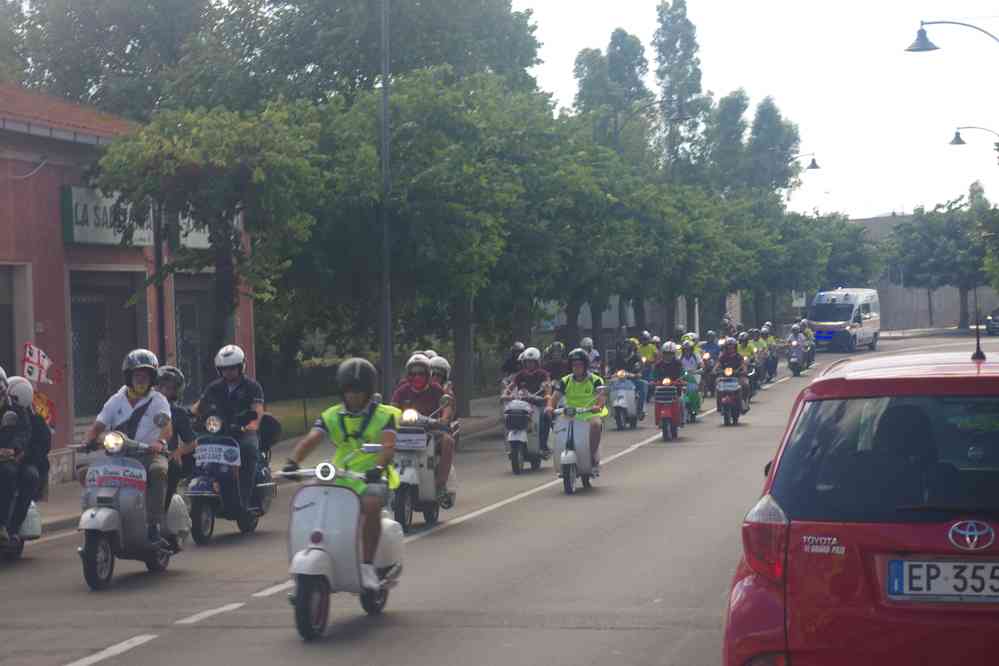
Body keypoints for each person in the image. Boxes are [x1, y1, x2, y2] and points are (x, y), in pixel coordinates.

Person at [282, 359, 398, 591]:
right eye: (348, 391)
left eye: (358, 391)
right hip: (339, 478)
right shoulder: (331, 415)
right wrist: (292, 462)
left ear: (368, 392)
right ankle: (311, 559)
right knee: (310, 499)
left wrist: (377, 468)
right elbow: (312, 439)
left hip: (371, 479)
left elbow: (388, 446)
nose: (353, 396)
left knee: (372, 503)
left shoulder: (385, 415)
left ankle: (366, 566)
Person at [82, 350, 172, 543]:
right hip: (118, 454)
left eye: (145, 376)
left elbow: (167, 428)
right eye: (137, 375)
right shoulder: (116, 400)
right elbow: (98, 426)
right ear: (129, 377)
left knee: (158, 471)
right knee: (86, 472)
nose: (141, 379)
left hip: (148, 453)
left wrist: (160, 443)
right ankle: (96, 512)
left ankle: (154, 524)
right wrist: (87, 440)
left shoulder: (158, 401)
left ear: (152, 378)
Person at [192, 345, 265, 510]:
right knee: (197, 447)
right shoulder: (214, 387)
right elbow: (199, 405)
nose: (229, 372)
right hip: (220, 429)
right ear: (220, 370)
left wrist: (252, 426)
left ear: (241, 367)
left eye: (232, 368)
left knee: (248, 450)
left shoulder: (252, 386)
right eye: (225, 369)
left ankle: (244, 500)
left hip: (243, 430)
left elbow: (257, 410)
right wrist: (190, 414)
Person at [392, 354, 454, 496]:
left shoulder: (436, 389)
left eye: (421, 373)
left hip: (430, 431)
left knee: (448, 441)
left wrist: (443, 419)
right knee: (384, 443)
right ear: (408, 375)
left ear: (428, 374)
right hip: (404, 433)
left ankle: (440, 484)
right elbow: (392, 408)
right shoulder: (402, 390)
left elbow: (446, 406)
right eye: (413, 373)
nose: (417, 377)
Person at [546, 349, 607, 474]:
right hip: (570, 413)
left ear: (585, 365)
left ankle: (593, 454)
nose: (576, 367)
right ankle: (559, 453)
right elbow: (554, 398)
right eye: (574, 365)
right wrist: (550, 407)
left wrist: (598, 406)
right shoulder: (565, 381)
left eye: (579, 364)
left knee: (596, 425)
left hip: (590, 412)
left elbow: (601, 397)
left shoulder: (595, 380)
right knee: (557, 428)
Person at [0, 372, 35, 544]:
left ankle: (8, 526)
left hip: (9, 459)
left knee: (26, 475)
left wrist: (13, 449)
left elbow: (24, 432)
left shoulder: (16, 409)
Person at [158, 366, 196, 512]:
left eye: (170, 388)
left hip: (165, 457)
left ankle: (164, 510)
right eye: (162, 386)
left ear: (177, 391)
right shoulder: (143, 406)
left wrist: (178, 452)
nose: (165, 391)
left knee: (174, 467)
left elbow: (193, 442)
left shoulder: (178, 413)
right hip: (140, 453)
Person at [507, 347, 552, 453]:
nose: (529, 364)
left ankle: (543, 445)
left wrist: (547, 394)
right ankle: (511, 443)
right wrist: (505, 394)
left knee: (545, 417)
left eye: (532, 362)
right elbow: (511, 386)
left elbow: (548, 386)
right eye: (527, 362)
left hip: (538, 403)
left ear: (537, 362)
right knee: (510, 415)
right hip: (523, 404)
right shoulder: (520, 374)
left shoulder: (543, 374)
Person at [610, 338, 647, 420]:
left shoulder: (636, 357)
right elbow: (612, 368)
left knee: (643, 384)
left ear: (630, 349)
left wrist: (638, 374)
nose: (623, 351)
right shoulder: (618, 357)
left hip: (633, 379)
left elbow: (641, 368)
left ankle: (640, 410)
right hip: (620, 380)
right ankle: (612, 409)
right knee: (610, 386)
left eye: (626, 349)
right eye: (622, 349)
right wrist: (610, 374)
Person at [718, 338, 750, 413]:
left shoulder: (739, 356)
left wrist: (744, 371)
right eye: (728, 347)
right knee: (717, 385)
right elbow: (717, 365)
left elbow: (743, 365)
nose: (730, 348)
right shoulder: (722, 357)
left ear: (735, 347)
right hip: (724, 377)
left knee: (745, 385)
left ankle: (744, 403)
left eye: (732, 347)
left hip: (737, 377)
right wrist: (715, 370)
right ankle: (719, 405)